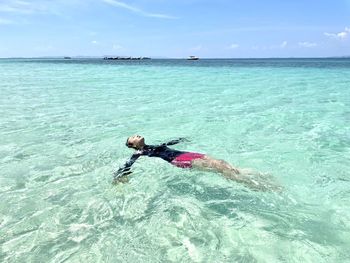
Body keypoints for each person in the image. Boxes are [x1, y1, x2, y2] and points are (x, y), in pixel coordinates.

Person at [113, 135, 280, 191]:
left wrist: (180, 139)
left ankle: (252, 177)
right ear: (132, 145)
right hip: (179, 160)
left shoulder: (151, 146)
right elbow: (128, 164)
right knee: (220, 167)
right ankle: (255, 185)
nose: (137, 135)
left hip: (185, 154)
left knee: (222, 164)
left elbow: (166, 145)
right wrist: (119, 177)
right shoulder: (139, 152)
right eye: (133, 137)